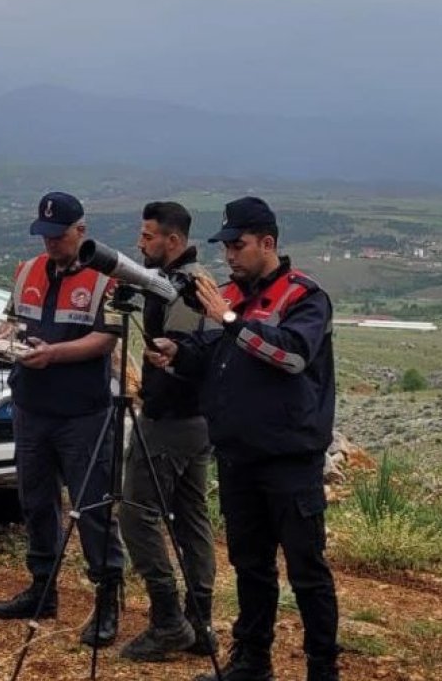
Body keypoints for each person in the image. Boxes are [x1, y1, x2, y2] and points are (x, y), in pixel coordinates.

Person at [146, 196, 340, 681]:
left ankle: (322, 668)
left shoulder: (304, 296)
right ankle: (252, 662)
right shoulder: (228, 296)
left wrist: (229, 321)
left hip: (290, 459)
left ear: (267, 243)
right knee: (250, 566)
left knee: (306, 570)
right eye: (226, 247)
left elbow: (291, 356)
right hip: (237, 457)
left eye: (239, 245)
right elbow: (209, 354)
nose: (229, 255)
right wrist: (177, 353)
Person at [0, 190, 125, 648]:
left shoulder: (106, 279)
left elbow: (106, 339)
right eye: (44, 235)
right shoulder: (27, 270)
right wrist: (5, 340)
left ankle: (107, 599)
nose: (50, 243)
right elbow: (12, 319)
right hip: (31, 407)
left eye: (58, 235)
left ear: (80, 231)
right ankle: (42, 588)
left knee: (92, 508)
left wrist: (55, 354)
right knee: (35, 500)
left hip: (82, 413)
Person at [118, 201, 218, 663]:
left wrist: (156, 394)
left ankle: (168, 622)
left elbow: (181, 359)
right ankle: (200, 624)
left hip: (171, 420)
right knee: (192, 519)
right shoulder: (189, 281)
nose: (140, 244)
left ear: (172, 240)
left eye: (148, 236)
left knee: (136, 515)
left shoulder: (184, 290)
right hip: (196, 422)